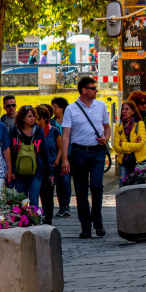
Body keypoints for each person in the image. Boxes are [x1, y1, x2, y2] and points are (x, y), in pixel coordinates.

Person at [60, 77, 110, 238]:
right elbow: (66, 135)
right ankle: (86, 226)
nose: (96, 90)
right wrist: (65, 159)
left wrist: (106, 137)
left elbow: (107, 128)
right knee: (81, 190)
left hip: (97, 151)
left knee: (96, 186)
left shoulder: (101, 105)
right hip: (78, 152)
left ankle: (98, 220)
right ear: (84, 90)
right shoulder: (71, 109)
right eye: (93, 88)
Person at [8, 105, 45, 207]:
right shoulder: (14, 132)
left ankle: (35, 221)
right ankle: (23, 221)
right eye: (29, 116)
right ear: (22, 118)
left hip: (36, 171)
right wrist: (11, 171)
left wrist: (49, 172)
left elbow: (44, 152)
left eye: (33, 116)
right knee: (21, 200)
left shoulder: (38, 132)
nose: (32, 118)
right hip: (19, 172)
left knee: (34, 199)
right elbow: (10, 152)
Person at [113, 101, 146, 181]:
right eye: (123, 109)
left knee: (138, 187)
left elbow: (141, 145)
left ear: (133, 111)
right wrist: (133, 145)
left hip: (139, 161)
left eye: (127, 109)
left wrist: (123, 144)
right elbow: (116, 147)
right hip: (124, 161)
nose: (124, 111)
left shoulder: (139, 124)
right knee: (123, 186)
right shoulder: (118, 126)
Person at [35, 104, 60, 224]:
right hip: (36, 167)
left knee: (48, 194)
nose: (35, 121)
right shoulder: (33, 131)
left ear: (44, 118)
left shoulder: (54, 131)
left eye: (38, 118)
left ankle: (48, 218)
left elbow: (60, 148)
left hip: (50, 166)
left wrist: (57, 162)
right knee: (36, 192)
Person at [50, 97, 72, 217]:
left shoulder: (69, 122)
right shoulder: (51, 122)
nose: (54, 109)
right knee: (58, 181)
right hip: (55, 155)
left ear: (62, 108)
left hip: (68, 155)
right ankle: (61, 206)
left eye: (56, 107)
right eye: (53, 106)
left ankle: (66, 206)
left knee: (66, 180)